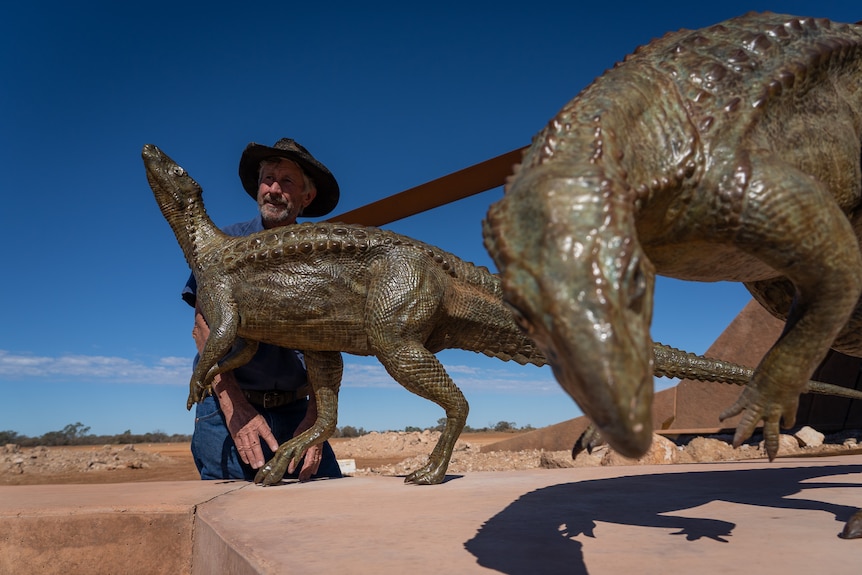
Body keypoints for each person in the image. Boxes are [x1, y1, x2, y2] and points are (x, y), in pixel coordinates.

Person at [181, 138, 343, 481]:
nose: (273, 189)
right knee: (229, 513)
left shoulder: (323, 257)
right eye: (267, 179)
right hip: (229, 407)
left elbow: (331, 342)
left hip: (300, 410)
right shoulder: (225, 245)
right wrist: (235, 408)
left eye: (287, 181)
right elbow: (203, 328)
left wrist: (317, 418)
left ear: (306, 196)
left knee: (323, 510)